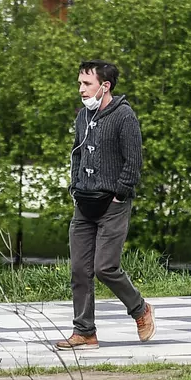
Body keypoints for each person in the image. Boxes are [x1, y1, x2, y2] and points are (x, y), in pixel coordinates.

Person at [55, 59, 155, 349]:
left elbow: (134, 162)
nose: (81, 90)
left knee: (105, 267)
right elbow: (77, 154)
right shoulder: (82, 117)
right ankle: (84, 331)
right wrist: (75, 186)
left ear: (105, 86)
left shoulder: (124, 116)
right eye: (79, 83)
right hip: (83, 203)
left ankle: (141, 310)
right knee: (79, 269)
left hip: (113, 204)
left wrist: (119, 194)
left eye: (87, 84)